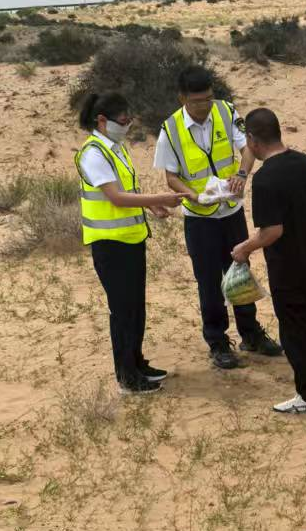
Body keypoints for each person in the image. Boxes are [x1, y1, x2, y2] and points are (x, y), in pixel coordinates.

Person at [154, 65, 282, 371]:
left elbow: (247, 149)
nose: (204, 106)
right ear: (183, 98)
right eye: (197, 101)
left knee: (239, 272)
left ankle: (251, 334)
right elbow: (171, 177)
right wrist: (192, 195)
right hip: (199, 218)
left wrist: (242, 174)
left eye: (208, 98)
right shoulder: (170, 129)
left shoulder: (226, 111)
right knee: (209, 281)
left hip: (231, 212)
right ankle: (217, 341)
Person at [231, 107, 306, 415]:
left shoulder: (265, 179)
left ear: (252, 140)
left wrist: (244, 248)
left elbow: (272, 231)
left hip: (288, 268)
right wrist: (304, 226)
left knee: (295, 331)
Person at [76, 90, 183, 394]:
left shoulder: (116, 149)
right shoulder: (94, 153)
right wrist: (159, 197)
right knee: (122, 311)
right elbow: (116, 197)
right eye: (122, 120)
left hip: (132, 239)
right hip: (110, 244)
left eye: (128, 119)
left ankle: (137, 363)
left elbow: (128, 190)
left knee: (135, 308)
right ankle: (127, 376)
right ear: (102, 120)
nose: (127, 125)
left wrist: (151, 205)